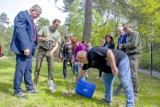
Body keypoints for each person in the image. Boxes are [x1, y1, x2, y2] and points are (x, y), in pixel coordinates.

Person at [10, 4, 42, 98]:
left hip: (30, 49)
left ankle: (30, 88)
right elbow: (20, 31)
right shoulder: (22, 15)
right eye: (37, 14)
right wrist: (25, 47)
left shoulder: (30, 19)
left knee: (28, 69)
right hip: (24, 49)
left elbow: (32, 34)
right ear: (32, 10)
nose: (37, 16)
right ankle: (17, 91)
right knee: (20, 69)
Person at [34, 19, 61, 92]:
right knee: (38, 66)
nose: (57, 26)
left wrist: (52, 52)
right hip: (42, 49)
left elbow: (57, 44)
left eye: (58, 25)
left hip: (50, 50)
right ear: (52, 23)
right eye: (56, 25)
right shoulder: (45, 28)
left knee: (51, 67)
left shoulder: (58, 33)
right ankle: (35, 82)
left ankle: (51, 83)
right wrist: (44, 39)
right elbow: (37, 38)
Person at [120, 23, 141, 96]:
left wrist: (123, 45)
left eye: (126, 28)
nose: (124, 30)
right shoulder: (127, 37)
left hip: (134, 56)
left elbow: (134, 44)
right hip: (128, 55)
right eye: (123, 29)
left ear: (130, 27)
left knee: (133, 74)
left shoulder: (135, 33)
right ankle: (129, 90)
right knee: (127, 73)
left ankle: (135, 93)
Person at [114, 27, 128, 96]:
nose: (119, 32)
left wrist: (122, 47)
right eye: (118, 31)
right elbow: (118, 47)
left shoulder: (126, 36)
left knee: (124, 73)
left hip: (125, 55)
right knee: (121, 73)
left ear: (123, 30)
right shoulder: (119, 38)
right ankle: (124, 87)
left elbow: (127, 45)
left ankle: (126, 89)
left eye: (120, 31)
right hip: (120, 56)